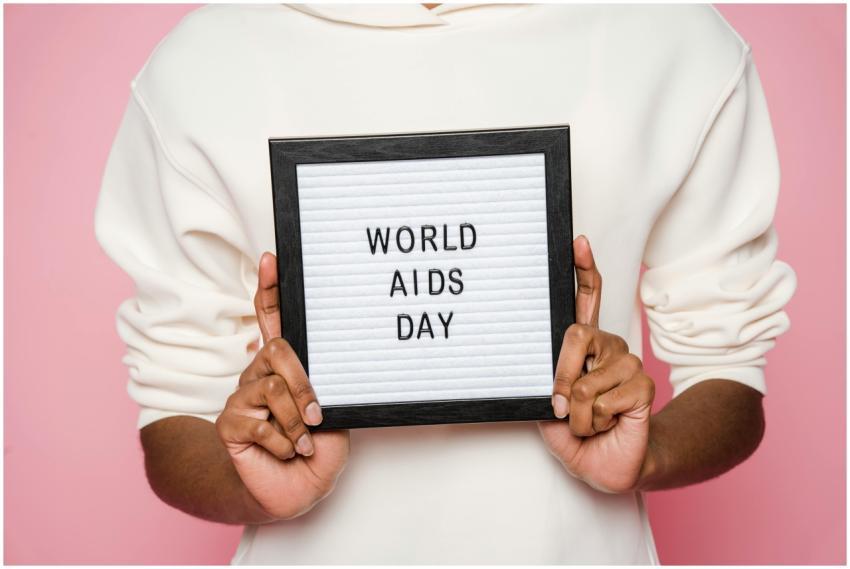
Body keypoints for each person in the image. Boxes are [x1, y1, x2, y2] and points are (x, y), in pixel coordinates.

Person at [94, 3, 797, 564]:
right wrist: (257, 485)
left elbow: (729, 367)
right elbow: (174, 412)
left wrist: (649, 453)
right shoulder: (204, 62)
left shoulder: (671, 33)